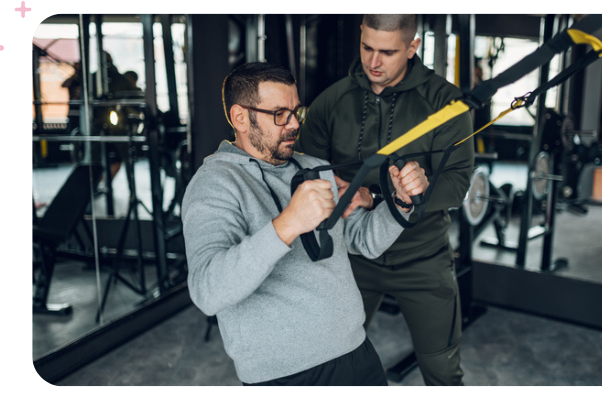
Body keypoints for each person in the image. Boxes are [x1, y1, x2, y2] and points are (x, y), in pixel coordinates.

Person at [182, 62, 429, 385]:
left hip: (357, 352)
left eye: (296, 111)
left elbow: (363, 240)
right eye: (279, 114)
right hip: (286, 376)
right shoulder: (214, 184)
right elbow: (207, 292)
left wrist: (401, 201)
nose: (294, 124)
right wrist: (286, 225)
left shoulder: (316, 167)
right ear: (240, 117)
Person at [295, 14, 474, 385]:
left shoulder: (446, 103)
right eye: (367, 48)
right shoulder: (331, 102)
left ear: (412, 47)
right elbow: (306, 174)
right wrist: (332, 188)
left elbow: (457, 185)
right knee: (327, 363)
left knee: (442, 370)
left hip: (422, 258)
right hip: (353, 258)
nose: (374, 62)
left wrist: (405, 189)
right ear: (360, 36)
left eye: (388, 52)